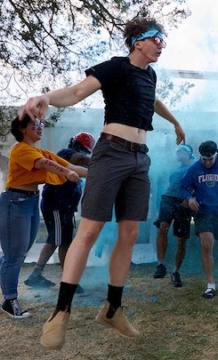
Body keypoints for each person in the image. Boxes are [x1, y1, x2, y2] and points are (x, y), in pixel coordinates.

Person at [18, 17, 186, 350]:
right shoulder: (115, 67)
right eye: (157, 38)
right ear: (138, 41)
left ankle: (112, 308)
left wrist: (176, 122)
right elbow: (78, 92)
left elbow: (153, 101)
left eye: (163, 39)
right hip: (110, 153)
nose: (162, 44)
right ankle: (60, 312)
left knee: (131, 232)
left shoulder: (150, 75)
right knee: (90, 231)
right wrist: (46, 97)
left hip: (140, 158)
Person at [0, 115, 87, 319]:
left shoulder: (39, 150)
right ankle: (10, 301)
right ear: (22, 128)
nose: (39, 127)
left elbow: (73, 167)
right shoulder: (21, 149)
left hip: (29, 202)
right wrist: (66, 172)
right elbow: (43, 164)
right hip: (13, 203)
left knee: (19, 251)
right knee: (14, 255)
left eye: (40, 124)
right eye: (35, 125)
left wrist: (99, 173)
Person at [24, 133, 95, 291]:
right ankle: (67, 281)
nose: (84, 154)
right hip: (57, 205)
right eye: (83, 150)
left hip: (64, 207)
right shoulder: (65, 153)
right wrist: (99, 163)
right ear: (75, 145)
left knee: (58, 240)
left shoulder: (72, 158)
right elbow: (80, 159)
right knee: (60, 241)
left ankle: (38, 275)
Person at [179, 141, 218, 299]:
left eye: (210, 159)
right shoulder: (194, 168)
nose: (207, 163)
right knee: (206, 245)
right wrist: (190, 198)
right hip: (203, 212)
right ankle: (210, 285)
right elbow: (182, 186)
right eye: (204, 159)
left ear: (216, 155)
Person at [153, 144, 196, 287]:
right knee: (163, 227)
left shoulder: (195, 168)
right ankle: (161, 265)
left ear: (189, 154)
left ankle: (176, 272)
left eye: (181, 151)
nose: (178, 154)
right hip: (168, 199)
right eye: (177, 151)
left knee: (181, 240)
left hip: (183, 203)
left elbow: (199, 186)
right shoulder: (173, 168)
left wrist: (190, 197)